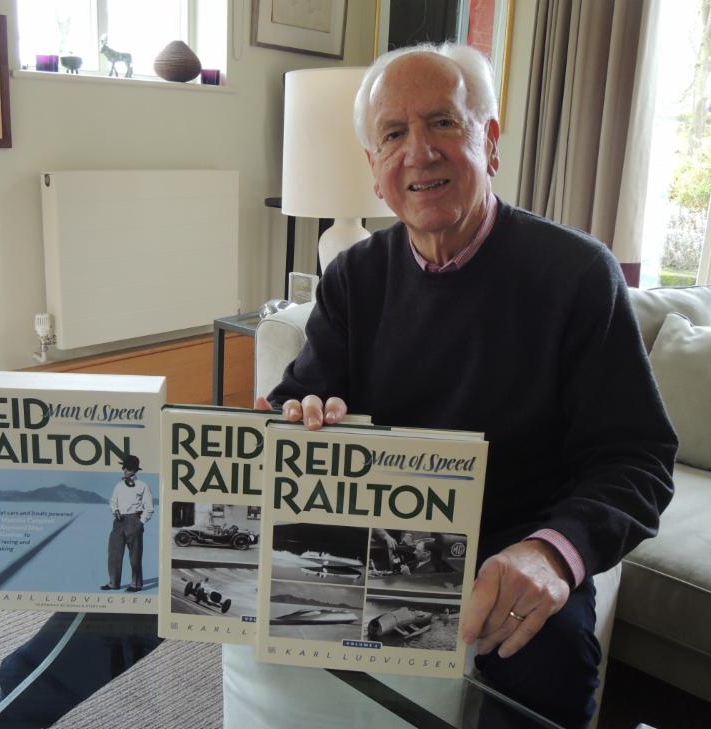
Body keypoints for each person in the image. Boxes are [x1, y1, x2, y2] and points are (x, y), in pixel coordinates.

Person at [236, 42, 677, 729]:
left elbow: (637, 457)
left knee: (551, 663)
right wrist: (301, 413)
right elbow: (303, 397)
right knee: (202, 589)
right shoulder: (353, 276)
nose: (419, 151)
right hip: (373, 536)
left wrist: (551, 553)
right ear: (375, 168)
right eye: (393, 134)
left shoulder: (578, 275)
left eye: (443, 122)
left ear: (489, 142)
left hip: (511, 547)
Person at [101, 454, 154, 593]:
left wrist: (140, 522)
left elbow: (149, 507)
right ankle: (113, 583)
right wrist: (115, 510)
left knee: (135, 556)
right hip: (118, 522)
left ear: (134, 470)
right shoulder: (119, 486)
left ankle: (136, 584)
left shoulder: (143, 486)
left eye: (128, 468)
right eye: (124, 467)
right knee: (114, 554)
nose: (124, 470)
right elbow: (113, 501)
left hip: (134, 521)